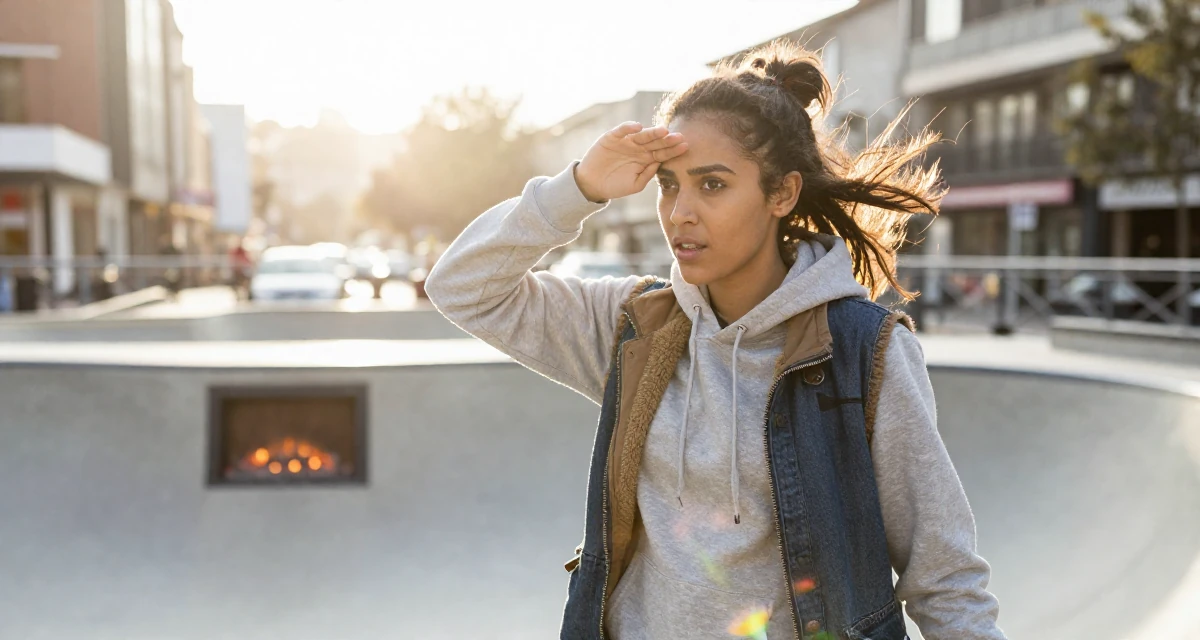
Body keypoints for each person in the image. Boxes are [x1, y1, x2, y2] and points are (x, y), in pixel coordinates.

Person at [426, 42, 1004, 640]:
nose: (680, 213)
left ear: (781, 193)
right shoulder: (635, 327)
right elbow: (462, 287)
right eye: (668, 184)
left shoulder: (865, 352)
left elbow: (944, 579)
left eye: (712, 184)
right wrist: (578, 189)